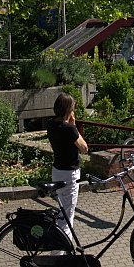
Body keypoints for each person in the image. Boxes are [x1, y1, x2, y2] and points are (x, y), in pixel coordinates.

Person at [48, 92, 87, 248]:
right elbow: (84, 148)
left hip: (57, 170)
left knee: (62, 212)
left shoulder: (51, 124)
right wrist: (74, 125)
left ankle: (62, 251)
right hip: (69, 174)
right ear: (68, 110)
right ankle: (59, 255)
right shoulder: (69, 129)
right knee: (67, 217)